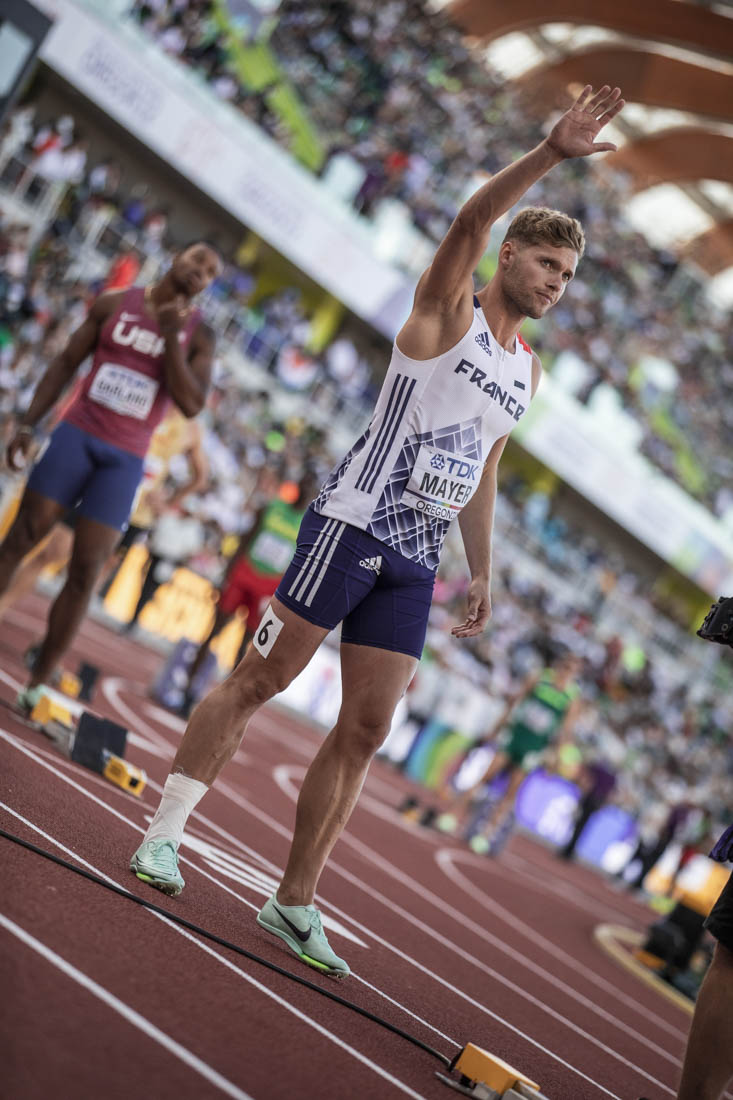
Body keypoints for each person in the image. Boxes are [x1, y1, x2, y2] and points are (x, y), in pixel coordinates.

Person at [129, 85, 625, 980]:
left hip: (416, 558)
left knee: (365, 728)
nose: (554, 285)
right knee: (262, 678)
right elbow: (470, 218)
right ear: (510, 256)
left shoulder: (527, 370)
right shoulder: (448, 313)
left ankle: (293, 900)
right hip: (351, 522)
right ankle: (163, 834)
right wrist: (550, 152)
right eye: (546, 265)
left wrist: (484, 571)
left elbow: (484, 465)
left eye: (566, 277)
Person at [0, 241, 222, 709]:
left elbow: (191, 402)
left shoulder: (198, 335)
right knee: (22, 537)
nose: (201, 271)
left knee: (84, 571)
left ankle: (36, 681)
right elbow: (65, 363)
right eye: (197, 259)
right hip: (76, 435)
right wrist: (29, 421)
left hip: (123, 461)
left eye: (211, 272)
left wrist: (170, 340)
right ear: (175, 256)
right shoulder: (114, 303)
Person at [177, 473, 316, 716]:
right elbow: (246, 539)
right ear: (297, 485)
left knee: (247, 648)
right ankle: (188, 690)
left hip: (269, 588)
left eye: (311, 488)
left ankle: (226, 705)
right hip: (244, 573)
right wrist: (226, 574)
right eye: (304, 484)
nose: (306, 491)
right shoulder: (272, 507)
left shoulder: (309, 525)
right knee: (213, 631)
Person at [441, 651, 583, 854]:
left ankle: (486, 834)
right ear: (559, 664)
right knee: (485, 776)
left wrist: (556, 758)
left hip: (534, 747)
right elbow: (515, 702)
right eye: (566, 665)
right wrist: (498, 727)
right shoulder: (540, 678)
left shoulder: (571, 697)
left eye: (572, 668)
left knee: (510, 793)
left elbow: (565, 731)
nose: (567, 670)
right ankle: (453, 815)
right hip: (516, 736)